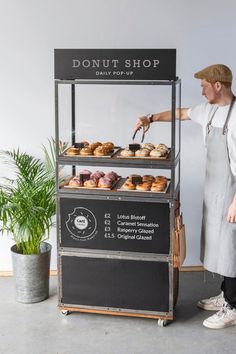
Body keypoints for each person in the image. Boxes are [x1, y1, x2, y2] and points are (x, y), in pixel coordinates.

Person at [135, 64, 236, 329]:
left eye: (204, 86)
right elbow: (180, 114)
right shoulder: (210, 110)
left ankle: (233, 307)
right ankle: (226, 294)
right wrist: (151, 118)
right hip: (215, 188)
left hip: (232, 191)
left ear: (218, 85)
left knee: (231, 247)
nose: (201, 91)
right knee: (219, 243)